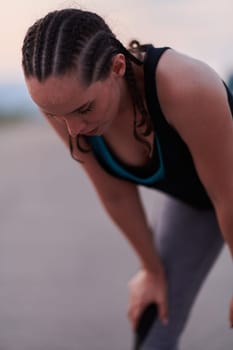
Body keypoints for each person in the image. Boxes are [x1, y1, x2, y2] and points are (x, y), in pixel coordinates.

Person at [21, 8, 233, 350]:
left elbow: (228, 194)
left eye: (84, 109)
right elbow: (116, 195)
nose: (73, 130)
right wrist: (152, 270)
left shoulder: (186, 86)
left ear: (117, 68)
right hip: (198, 203)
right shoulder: (66, 110)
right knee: (153, 328)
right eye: (55, 114)